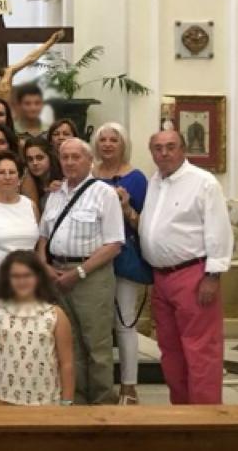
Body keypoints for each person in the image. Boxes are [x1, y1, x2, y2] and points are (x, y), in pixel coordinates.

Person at [140, 129, 232, 405]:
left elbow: (218, 230)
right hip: (161, 278)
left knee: (201, 351)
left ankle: (206, 423)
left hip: (193, 275)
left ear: (183, 150)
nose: (164, 153)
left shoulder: (203, 183)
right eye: (158, 148)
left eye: (170, 147)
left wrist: (212, 276)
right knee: (170, 351)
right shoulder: (155, 181)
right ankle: (181, 415)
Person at [37, 138, 124, 405]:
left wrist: (79, 273)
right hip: (57, 274)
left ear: (89, 160)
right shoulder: (54, 196)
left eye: (76, 157)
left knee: (96, 345)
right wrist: (45, 267)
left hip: (91, 277)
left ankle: (102, 406)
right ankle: (77, 402)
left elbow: (114, 244)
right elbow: (42, 239)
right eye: (65, 157)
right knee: (69, 344)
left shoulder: (104, 193)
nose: (70, 162)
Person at [91, 122, 151, 405]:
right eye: (102, 140)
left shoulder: (136, 179)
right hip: (92, 258)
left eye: (113, 140)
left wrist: (127, 208)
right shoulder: (88, 175)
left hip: (123, 258)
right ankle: (98, 384)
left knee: (124, 322)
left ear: (123, 143)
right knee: (96, 324)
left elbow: (146, 225)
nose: (107, 144)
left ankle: (129, 385)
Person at [0, 250, 75, 406]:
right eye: (15, 276)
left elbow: (66, 362)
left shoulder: (55, 315)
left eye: (27, 275)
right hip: (1, 399)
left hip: (46, 402)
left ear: (39, 278)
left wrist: (67, 401)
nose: (21, 281)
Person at [21, 136, 63, 210]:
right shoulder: (27, 180)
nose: (35, 163)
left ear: (50, 157)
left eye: (40, 158)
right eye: (30, 159)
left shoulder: (63, 178)